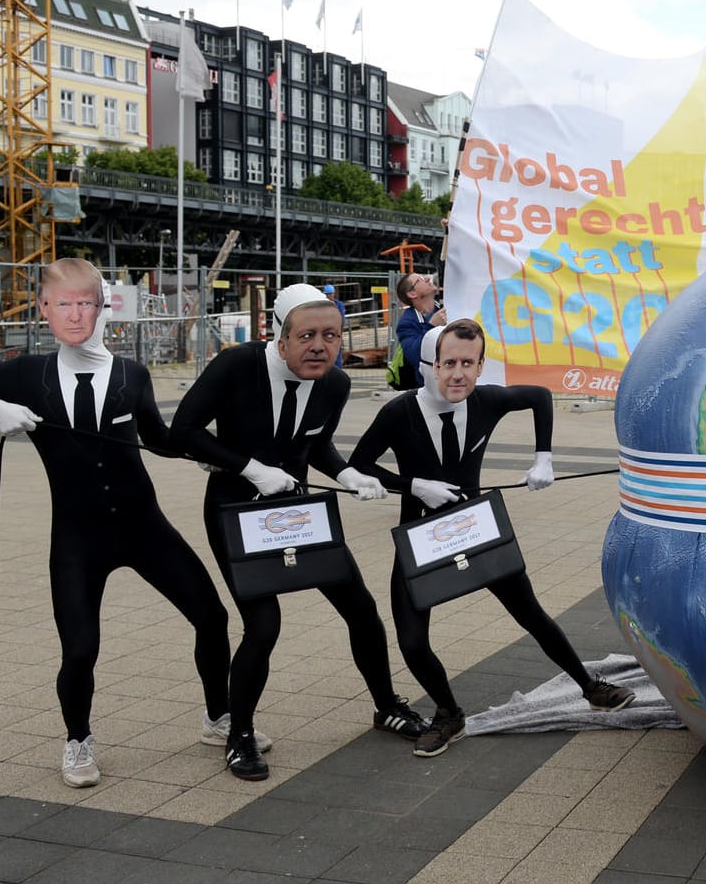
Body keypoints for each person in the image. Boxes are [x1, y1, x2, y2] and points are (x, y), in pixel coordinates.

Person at [0, 258, 235, 788]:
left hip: (144, 527)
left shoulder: (131, 374)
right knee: (80, 649)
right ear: (44, 309)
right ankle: (77, 741)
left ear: (102, 307)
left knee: (212, 617)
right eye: (63, 303)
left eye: (85, 302)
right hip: (77, 537)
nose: (75, 313)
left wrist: (210, 455)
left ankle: (218, 717)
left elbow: (158, 438)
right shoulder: (29, 374)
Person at [172, 283, 426, 781]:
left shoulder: (334, 384)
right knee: (263, 626)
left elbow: (317, 444)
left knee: (361, 609)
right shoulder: (237, 366)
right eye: (307, 335)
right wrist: (248, 467)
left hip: (297, 509)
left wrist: (349, 474)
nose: (320, 346)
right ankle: (237, 732)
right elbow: (183, 430)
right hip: (236, 510)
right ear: (279, 337)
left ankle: (385, 704)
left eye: (331, 336)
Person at [350, 320, 635, 757]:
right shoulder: (399, 412)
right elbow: (360, 464)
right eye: (448, 364)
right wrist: (414, 485)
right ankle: (448, 712)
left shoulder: (485, 401)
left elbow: (539, 396)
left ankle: (589, 685)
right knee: (410, 639)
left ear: (481, 366)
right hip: (421, 536)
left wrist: (544, 460)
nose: (459, 374)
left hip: (476, 525)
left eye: (469, 363)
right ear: (428, 366)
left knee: (531, 612)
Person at [393, 272, 443, 390]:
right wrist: (431, 326)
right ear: (412, 293)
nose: (426, 278)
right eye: (420, 279)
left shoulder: (446, 302)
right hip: (431, 386)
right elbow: (415, 355)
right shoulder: (407, 323)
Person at [323, 284, 347, 367]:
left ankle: (337, 370)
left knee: (336, 352)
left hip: (335, 333)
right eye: (327, 294)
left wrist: (339, 332)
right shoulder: (322, 306)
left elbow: (342, 319)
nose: (328, 296)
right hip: (324, 333)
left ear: (333, 294)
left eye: (330, 294)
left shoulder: (338, 305)